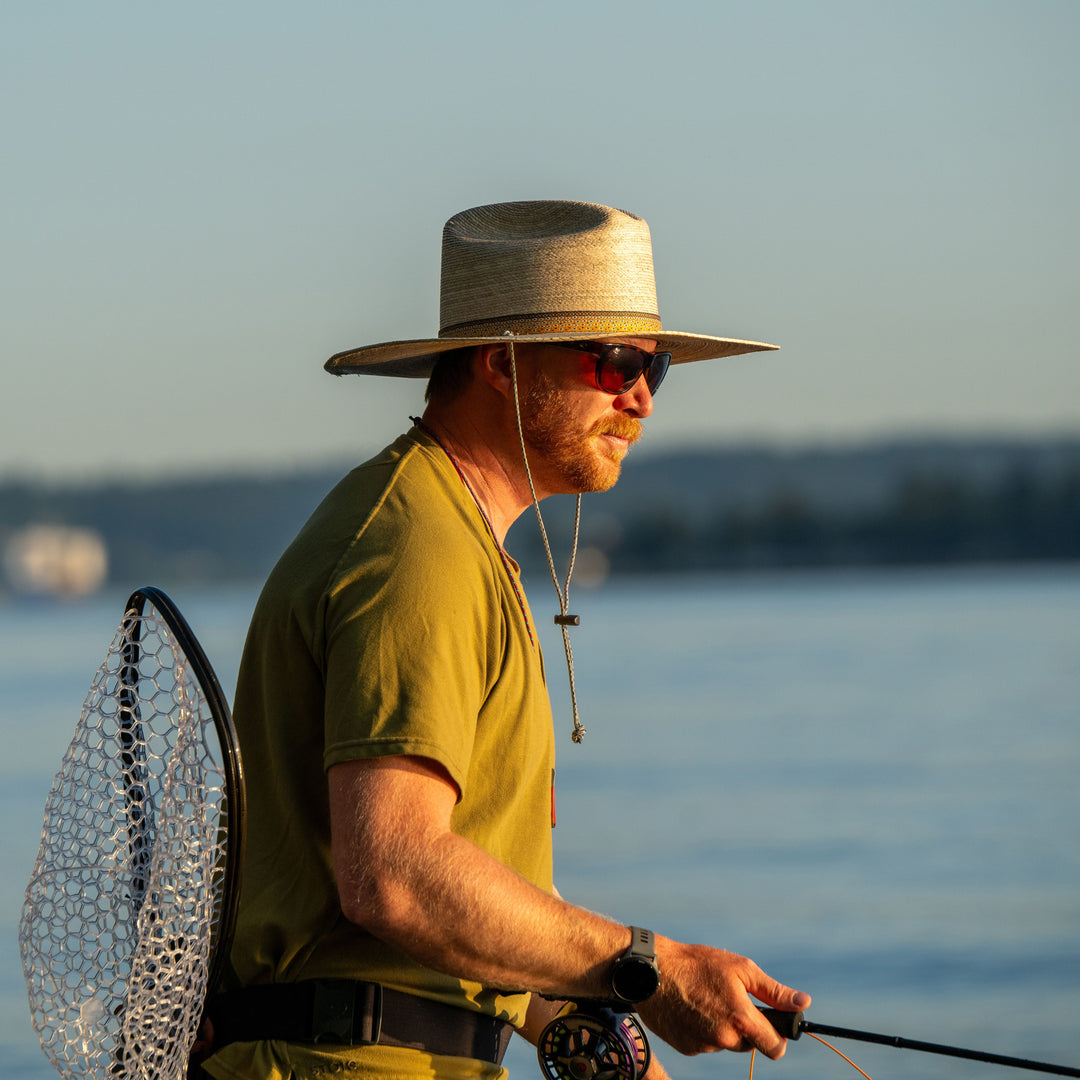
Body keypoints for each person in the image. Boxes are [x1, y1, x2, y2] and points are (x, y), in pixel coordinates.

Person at [200, 200, 811, 1080]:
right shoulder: (420, 553)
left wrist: (613, 1039)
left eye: (657, 369)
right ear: (503, 365)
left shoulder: (450, 539)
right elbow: (397, 876)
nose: (640, 398)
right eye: (615, 363)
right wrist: (648, 964)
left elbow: (459, 899)